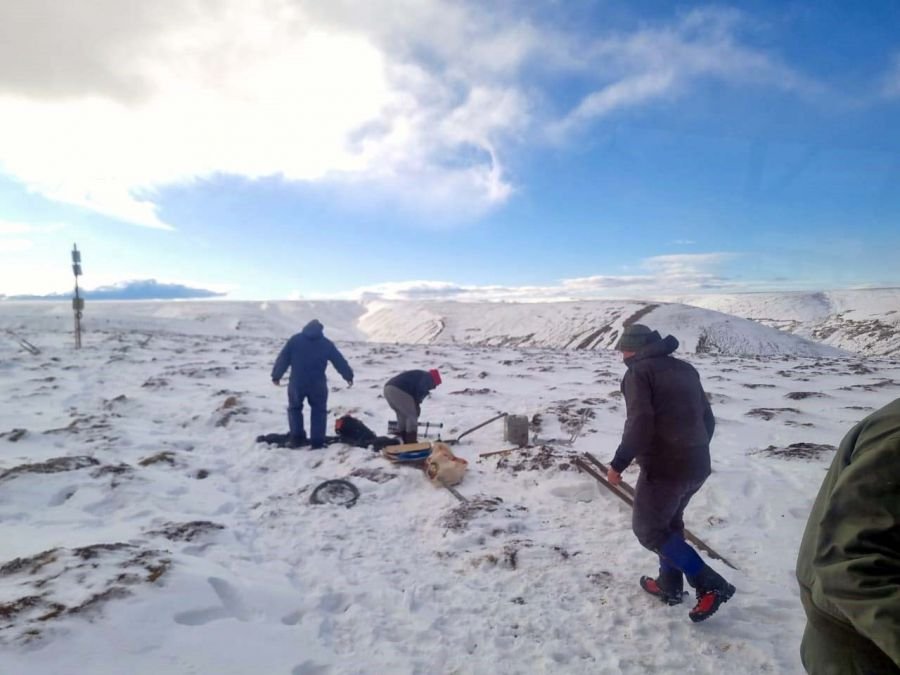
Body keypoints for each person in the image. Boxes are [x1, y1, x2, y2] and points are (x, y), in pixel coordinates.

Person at [606, 323, 734, 622]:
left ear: (633, 350)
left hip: (665, 468)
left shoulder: (638, 373)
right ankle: (670, 585)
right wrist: (694, 450)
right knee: (669, 524)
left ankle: (711, 584)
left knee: (649, 529)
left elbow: (639, 424)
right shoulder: (686, 369)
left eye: (623, 350)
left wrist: (618, 464)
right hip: (697, 464)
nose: (622, 356)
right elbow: (707, 418)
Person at [796, 398, 900, 674]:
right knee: (666, 531)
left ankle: (687, 584)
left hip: (863, 641)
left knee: (667, 531)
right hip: (860, 645)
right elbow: (852, 561)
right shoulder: (895, 434)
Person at [271, 319, 353, 449]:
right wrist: (348, 376)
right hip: (318, 383)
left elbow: (283, 358)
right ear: (321, 330)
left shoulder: (295, 340)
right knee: (319, 411)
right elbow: (339, 361)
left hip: (297, 382)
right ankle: (317, 442)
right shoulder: (326, 344)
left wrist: (276, 375)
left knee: (295, 409)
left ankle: (297, 438)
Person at [384, 369, 442, 443]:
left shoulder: (420, 375)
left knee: (402, 414)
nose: (435, 387)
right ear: (434, 380)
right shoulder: (427, 378)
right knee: (411, 416)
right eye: (436, 384)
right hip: (399, 390)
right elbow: (420, 391)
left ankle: (402, 438)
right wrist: (417, 405)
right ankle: (411, 441)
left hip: (388, 389)